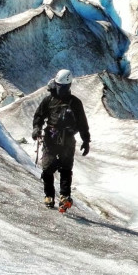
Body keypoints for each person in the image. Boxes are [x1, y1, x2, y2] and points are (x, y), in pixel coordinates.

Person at [32, 69, 90, 209]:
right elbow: (39, 116)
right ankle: (49, 195)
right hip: (51, 138)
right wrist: (36, 128)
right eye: (58, 85)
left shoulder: (75, 103)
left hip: (67, 139)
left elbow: (82, 123)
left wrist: (86, 140)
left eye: (62, 86)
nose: (60, 89)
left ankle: (64, 195)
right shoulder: (49, 100)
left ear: (68, 86)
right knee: (47, 169)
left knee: (65, 169)